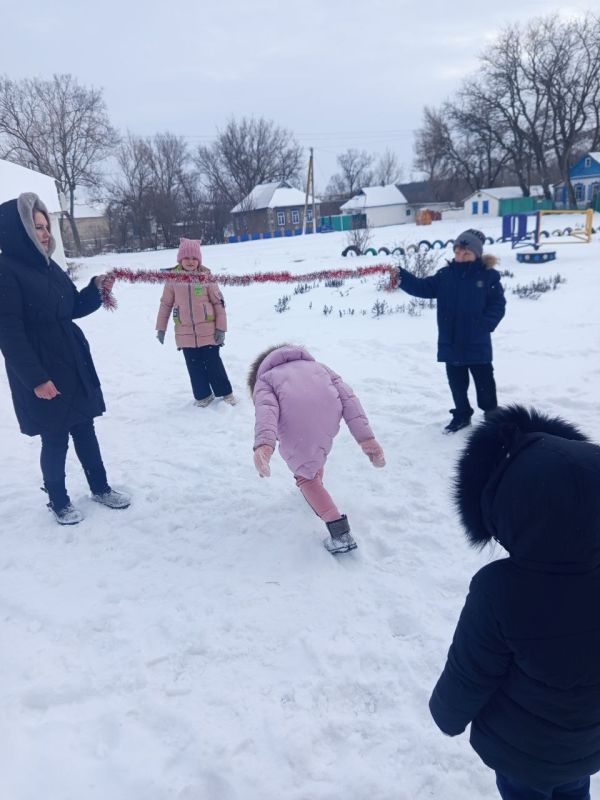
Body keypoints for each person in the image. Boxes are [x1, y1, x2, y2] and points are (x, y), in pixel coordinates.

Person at [429, 405, 600, 799]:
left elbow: (471, 672)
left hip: (519, 751)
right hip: (587, 743)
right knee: (575, 789)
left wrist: (447, 715)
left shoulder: (499, 590)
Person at [0, 192, 130, 525]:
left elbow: (71, 307)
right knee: (55, 437)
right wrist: (37, 380)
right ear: (18, 230)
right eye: (37, 226)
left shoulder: (50, 267)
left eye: (46, 227)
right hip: (43, 369)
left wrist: (96, 288)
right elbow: (9, 335)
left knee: (85, 429)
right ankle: (58, 500)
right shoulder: (6, 271)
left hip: (72, 362)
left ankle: (100, 487)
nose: (45, 234)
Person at [248, 344, 385, 554]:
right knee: (313, 453)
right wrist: (366, 439)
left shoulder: (265, 380)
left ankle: (340, 534)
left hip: (298, 423)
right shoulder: (320, 367)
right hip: (328, 418)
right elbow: (349, 400)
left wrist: (264, 445)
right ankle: (316, 485)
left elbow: (266, 413)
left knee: (305, 475)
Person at [397, 229, 506, 433]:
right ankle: (462, 415)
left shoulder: (488, 276)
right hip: (451, 341)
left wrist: (485, 324)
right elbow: (422, 287)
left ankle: (491, 413)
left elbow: (498, 305)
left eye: (466, 253)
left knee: (484, 382)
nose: (461, 257)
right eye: (457, 252)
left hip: (477, 341)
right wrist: (400, 276)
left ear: (476, 254)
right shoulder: (445, 276)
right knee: (457, 383)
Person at [155, 238, 236, 407]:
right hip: (184, 334)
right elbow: (165, 305)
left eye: (194, 258)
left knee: (214, 364)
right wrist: (161, 328)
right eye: (186, 258)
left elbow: (218, 304)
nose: (190, 262)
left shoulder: (206, 278)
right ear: (180, 259)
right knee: (194, 368)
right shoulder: (173, 280)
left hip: (208, 331)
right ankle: (203, 395)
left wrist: (221, 328)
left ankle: (225, 392)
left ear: (199, 260)